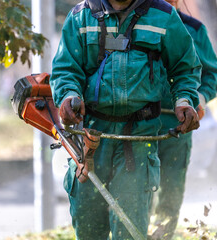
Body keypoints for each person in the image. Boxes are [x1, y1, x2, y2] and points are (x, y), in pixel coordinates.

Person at [49, 0, 201, 239]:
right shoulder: (81, 17)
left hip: (139, 139)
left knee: (130, 227)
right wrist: (68, 95)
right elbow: (66, 69)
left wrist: (184, 100)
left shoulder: (164, 17)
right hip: (90, 139)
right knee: (88, 227)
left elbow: (185, 68)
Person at [150, 1, 217, 239]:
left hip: (177, 127)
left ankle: (161, 236)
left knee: (171, 190)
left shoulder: (194, 29)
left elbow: (212, 74)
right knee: (139, 187)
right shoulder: (140, 22)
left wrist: (199, 98)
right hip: (139, 124)